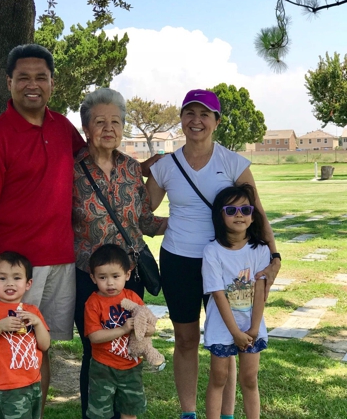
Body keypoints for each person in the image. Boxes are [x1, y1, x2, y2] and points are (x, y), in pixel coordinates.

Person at [146, 89, 280, 419]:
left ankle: (227, 413)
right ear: (181, 119)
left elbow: (257, 213)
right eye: (190, 113)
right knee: (186, 338)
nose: (197, 120)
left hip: (227, 261)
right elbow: (142, 215)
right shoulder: (166, 166)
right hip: (178, 259)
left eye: (205, 114)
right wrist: (171, 223)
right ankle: (189, 412)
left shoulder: (232, 162)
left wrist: (274, 258)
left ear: (216, 122)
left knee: (229, 336)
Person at [0, 44, 85, 419]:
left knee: (39, 349)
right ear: (9, 83)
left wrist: (145, 165)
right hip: (12, 272)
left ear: (52, 83)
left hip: (60, 261)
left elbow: (96, 161)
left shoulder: (62, 127)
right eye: (23, 78)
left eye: (40, 77)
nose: (32, 85)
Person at [72, 88, 167, 419]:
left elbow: (144, 222)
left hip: (129, 279)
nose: (108, 128)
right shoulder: (70, 171)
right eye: (100, 122)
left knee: (129, 347)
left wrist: (190, 221)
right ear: (86, 128)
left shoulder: (130, 168)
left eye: (115, 121)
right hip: (88, 278)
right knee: (95, 349)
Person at [202, 184, 268, 419]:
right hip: (222, 327)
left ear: (252, 216)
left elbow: (260, 290)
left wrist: (253, 328)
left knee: (250, 378)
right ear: (220, 216)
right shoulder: (212, 251)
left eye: (245, 209)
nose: (239, 215)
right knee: (219, 378)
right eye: (231, 210)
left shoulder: (260, 249)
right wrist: (235, 333)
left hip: (252, 326)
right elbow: (218, 295)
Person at [0, 251, 51, 419]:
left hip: (32, 383)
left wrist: (37, 323)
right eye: (2, 278)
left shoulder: (32, 311)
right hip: (6, 385)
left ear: (28, 284)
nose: (10, 283)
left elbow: (44, 345)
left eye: (16, 278)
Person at [85, 244, 153, 419]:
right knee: (100, 413)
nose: (110, 283)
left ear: (127, 274)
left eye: (116, 276)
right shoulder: (93, 303)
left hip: (131, 365)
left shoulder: (132, 298)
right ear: (93, 277)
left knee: (130, 412)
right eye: (102, 277)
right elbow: (94, 336)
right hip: (103, 367)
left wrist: (147, 329)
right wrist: (123, 329)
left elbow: (149, 325)